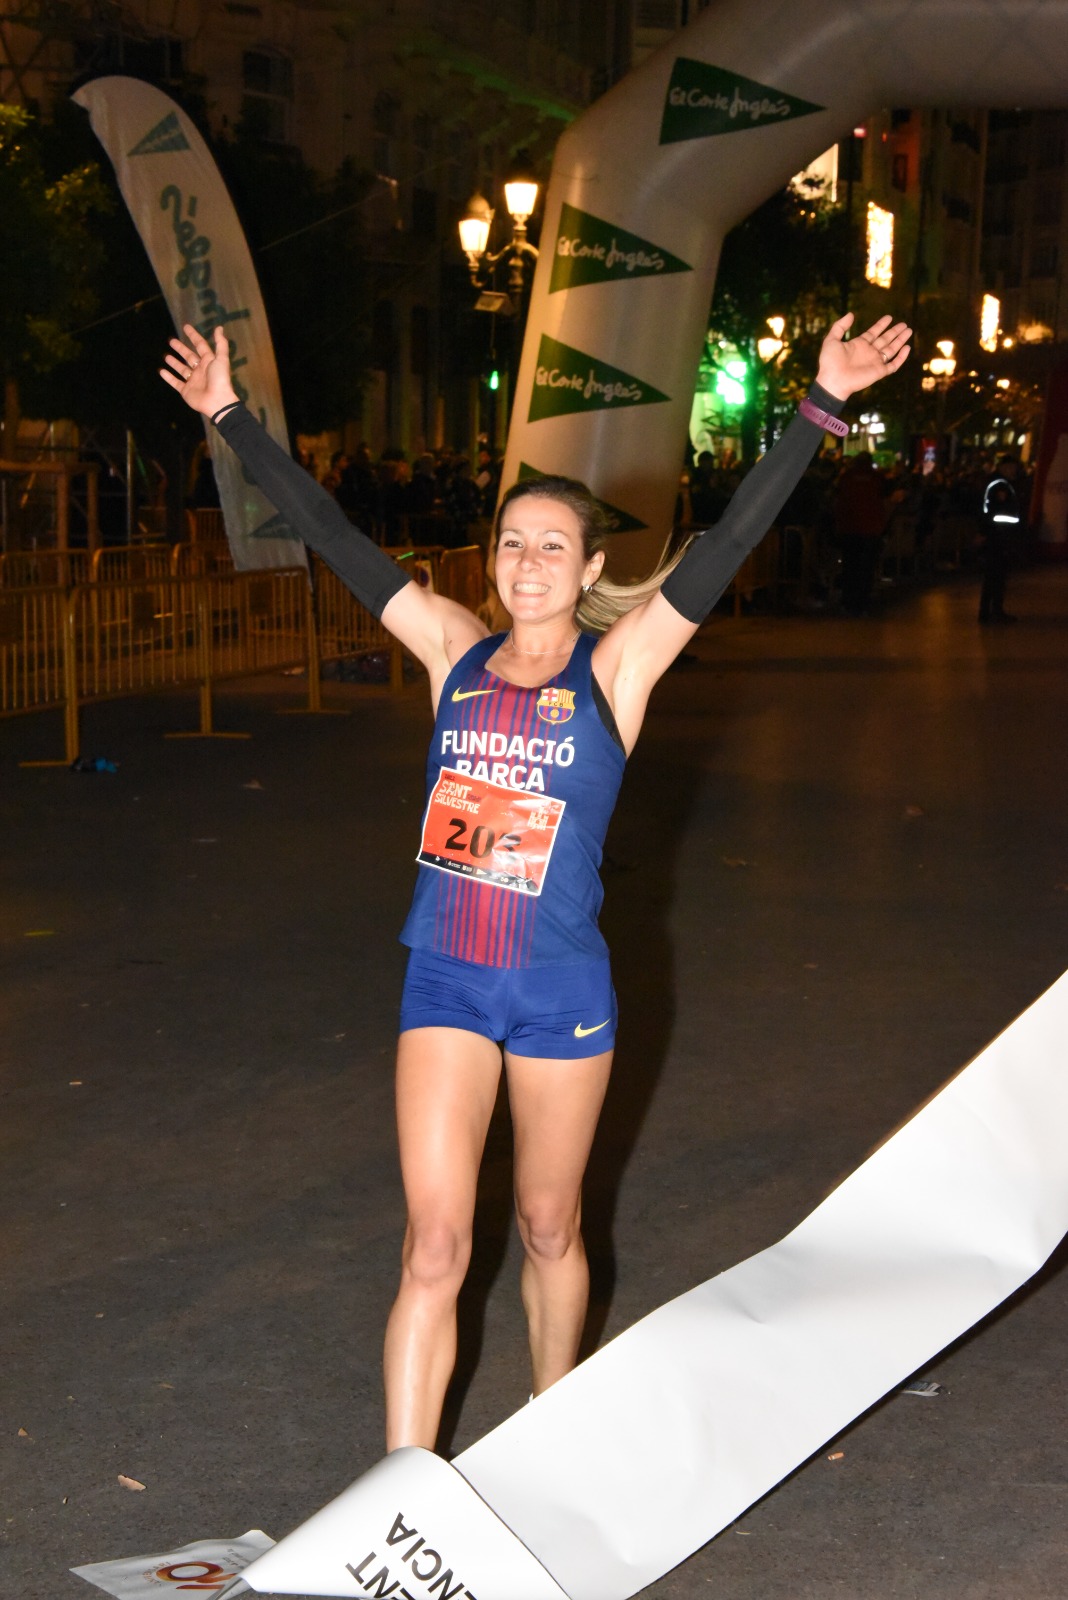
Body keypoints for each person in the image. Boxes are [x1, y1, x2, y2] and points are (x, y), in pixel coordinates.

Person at [160, 311, 910, 1452]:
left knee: (550, 1226)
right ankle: (404, 1481)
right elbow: (335, 534)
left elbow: (726, 546)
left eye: (553, 546)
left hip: (561, 990)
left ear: (591, 568)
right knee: (433, 1245)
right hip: (447, 981)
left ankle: (554, 1434)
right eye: (513, 542)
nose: (528, 562)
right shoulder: (449, 649)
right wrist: (228, 416)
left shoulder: (621, 669)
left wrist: (821, 405)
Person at [978, 453, 1022, 623]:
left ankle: (991, 611)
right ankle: (992, 612)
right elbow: (992, 512)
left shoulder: (999, 483)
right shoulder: (999, 485)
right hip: (998, 535)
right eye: (1012, 467)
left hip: (999, 534)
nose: (1014, 471)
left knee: (995, 575)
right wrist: (986, 532)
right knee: (995, 575)